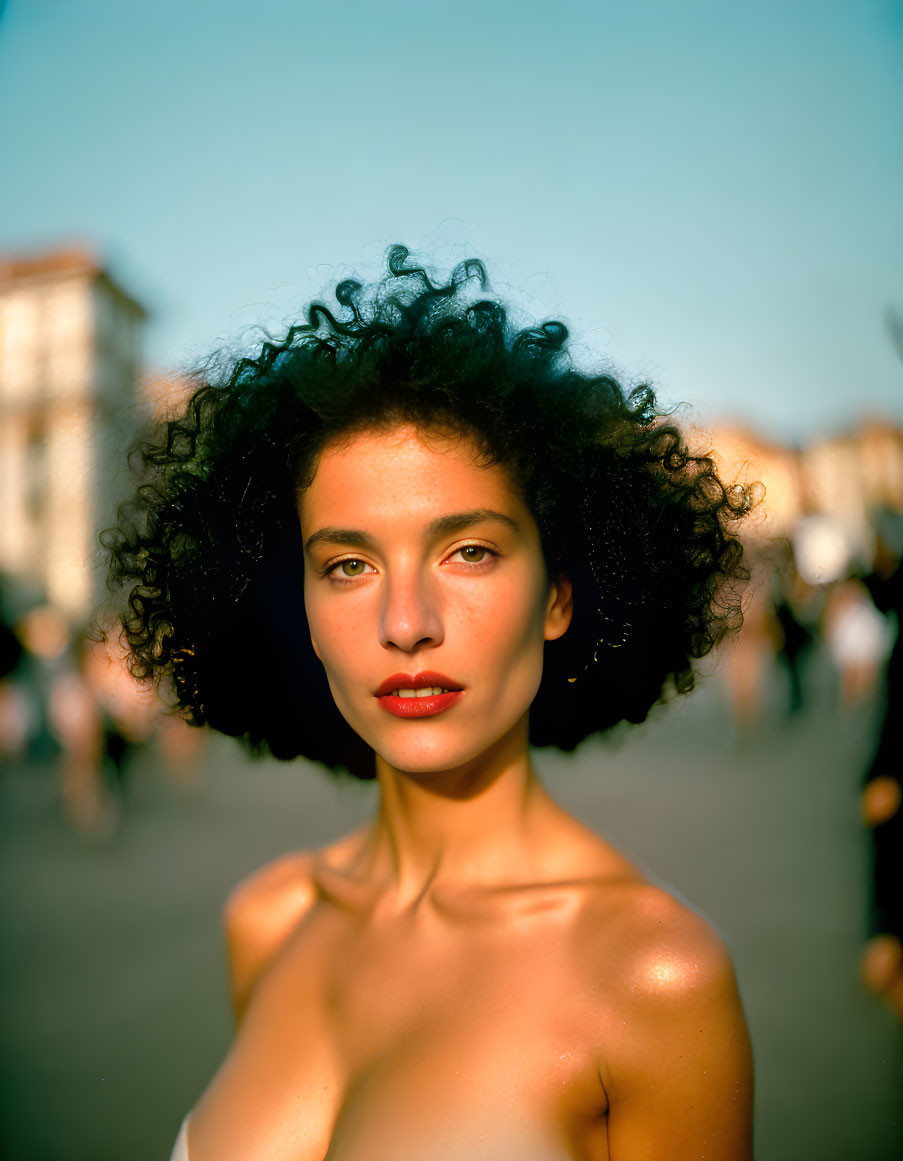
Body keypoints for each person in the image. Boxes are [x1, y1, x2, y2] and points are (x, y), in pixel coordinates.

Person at [104, 247, 755, 1160]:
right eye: (347, 565)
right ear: (295, 606)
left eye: (470, 551)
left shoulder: (651, 976)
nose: (405, 623)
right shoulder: (270, 919)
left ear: (560, 594)